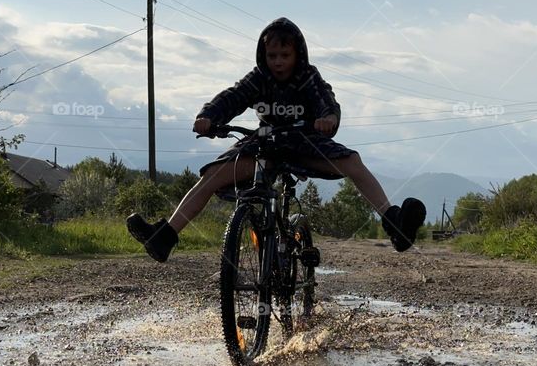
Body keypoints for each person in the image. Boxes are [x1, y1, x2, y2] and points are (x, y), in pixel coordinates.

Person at [126, 17, 425, 262]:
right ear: (263, 55)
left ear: (298, 55)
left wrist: (328, 119)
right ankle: (165, 236)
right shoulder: (258, 78)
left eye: (285, 55)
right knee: (213, 175)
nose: (278, 62)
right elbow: (233, 97)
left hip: (304, 142)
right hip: (263, 144)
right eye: (272, 56)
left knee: (353, 162)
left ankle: (394, 223)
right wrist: (208, 116)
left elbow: (326, 101)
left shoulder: (308, 77)